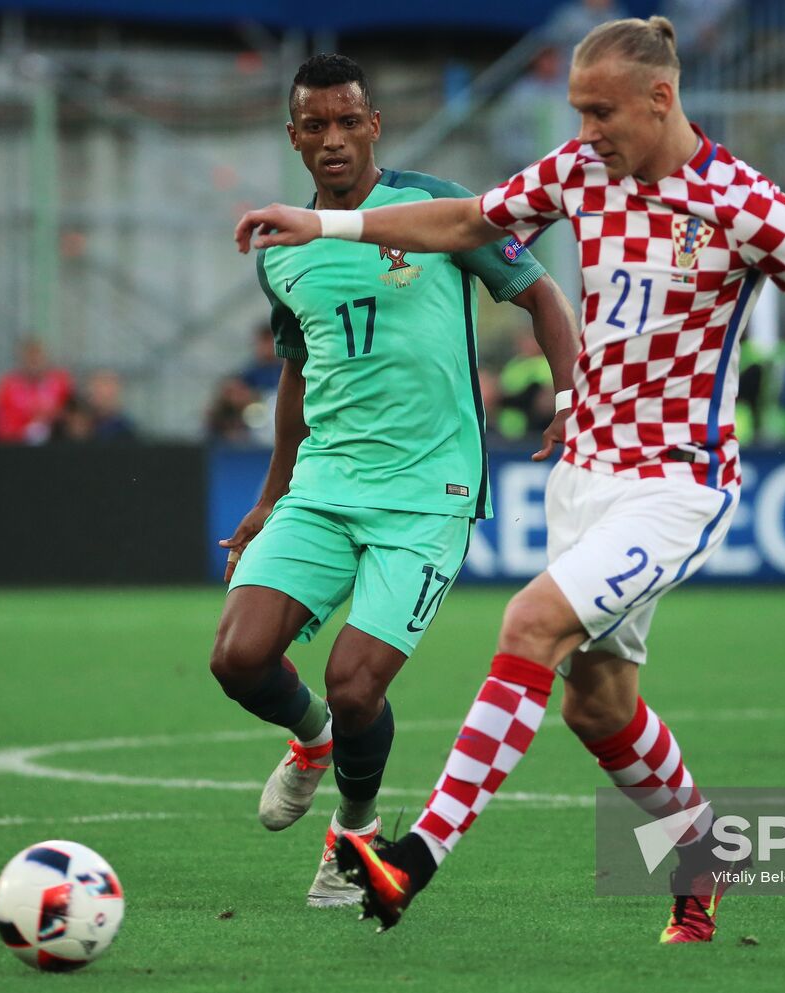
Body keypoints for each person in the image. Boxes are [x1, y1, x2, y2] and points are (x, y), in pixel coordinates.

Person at [235, 17, 785, 943]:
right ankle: (707, 848)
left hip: (676, 483)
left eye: (601, 112)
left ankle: (413, 856)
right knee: (598, 705)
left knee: (529, 624)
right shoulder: (581, 171)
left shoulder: (743, 203)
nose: (585, 130)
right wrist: (326, 223)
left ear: (661, 99)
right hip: (585, 474)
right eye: (577, 112)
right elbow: (471, 220)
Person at [210, 54, 577, 909]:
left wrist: (572, 393)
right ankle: (311, 743)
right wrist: (270, 495)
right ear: (294, 136)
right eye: (315, 125)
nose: (333, 139)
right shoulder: (281, 251)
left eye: (349, 121)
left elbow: (545, 296)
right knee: (237, 656)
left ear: (374, 125)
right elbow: (297, 372)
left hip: (427, 493)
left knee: (355, 677)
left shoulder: (439, 208)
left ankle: (355, 831)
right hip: (325, 484)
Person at [0, 337, 73, 444]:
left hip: (56, 442)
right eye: (29, 357)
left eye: (37, 356)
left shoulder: (61, 381)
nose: (34, 362)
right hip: (18, 444)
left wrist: (50, 415)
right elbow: (3, 423)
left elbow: (70, 414)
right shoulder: (9, 385)